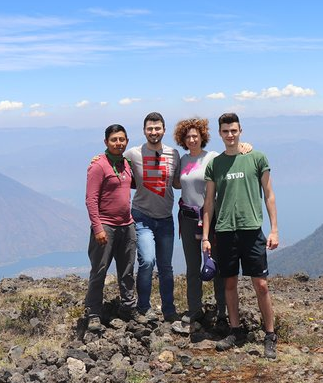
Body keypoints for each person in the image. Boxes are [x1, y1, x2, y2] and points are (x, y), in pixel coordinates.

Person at [202, 112, 280, 359]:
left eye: (233, 130)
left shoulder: (256, 158)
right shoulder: (215, 164)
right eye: (225, 131)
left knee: (261, 284)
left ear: (240, 130)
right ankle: (236, 331)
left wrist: (274, 229)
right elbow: (209, 203)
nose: (230, 135)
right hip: (225, 231)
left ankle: (270, 334)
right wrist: (206, 236)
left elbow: (269, 194)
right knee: (229, 283)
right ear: (220, 133)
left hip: (252, 229)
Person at [124, 112, 181, 322]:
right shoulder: (133, 153)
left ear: (164, 130)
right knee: (147, 261)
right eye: (150, 128)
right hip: (141, 216)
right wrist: (99, 157)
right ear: (144, 130)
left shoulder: (173, 154)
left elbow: (177, 182)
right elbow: (114, 162)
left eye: (157, 128)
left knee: (166, 267)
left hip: (165, 218)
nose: (154, 132)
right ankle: (143, 307)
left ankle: (169, 309)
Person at [84, 124, 137, 332]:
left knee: (127, 270)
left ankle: (127, 308)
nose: (118, 143)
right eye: (114, 139)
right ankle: (94, 313)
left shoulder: (126, 163)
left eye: (122, 139)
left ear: (127, 141)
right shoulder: (98, 166)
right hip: (106, 226)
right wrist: (98, 228)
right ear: (106, 142)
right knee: (99, 270)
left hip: (127, 224)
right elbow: (91, 199)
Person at [173, 118, 227, 325]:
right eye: (188, 136)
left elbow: (233, 157)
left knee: (216, 264)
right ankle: (194, 308)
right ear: (183, 140)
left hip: (210, 218)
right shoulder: (183, 160)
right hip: (187, 219)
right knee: (192, 266)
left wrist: (246, 148)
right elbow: (177, 183)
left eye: (196, 135)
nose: (192, 139)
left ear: (202, 137)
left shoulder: (212, 157)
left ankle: (222, 308)